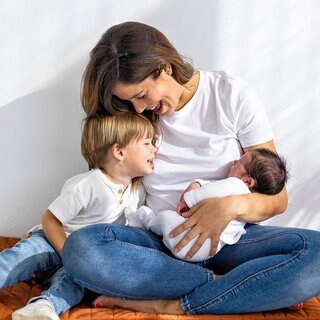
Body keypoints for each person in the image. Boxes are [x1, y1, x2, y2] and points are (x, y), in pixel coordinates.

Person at [62, 21, 320, 315]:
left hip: (232, 240)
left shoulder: (230, 95)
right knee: (81, 248)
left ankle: (174, 303)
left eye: (141, 94)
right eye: (129, 100)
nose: (138, 108)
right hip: (161, 247)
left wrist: (226, 208)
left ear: (165, 68)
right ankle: (234, 286)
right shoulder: (136, 119)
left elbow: (278, 198)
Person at [4, 112, 157, 320]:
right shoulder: (89, 184)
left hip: (81, 258)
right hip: (53, 241)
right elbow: (50, 220)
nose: (155, 149)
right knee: (25, 255)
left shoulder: (137, 192)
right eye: (148, 143)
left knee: (77, 283)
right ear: (119, 152)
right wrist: (66, 251)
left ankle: (43, 306)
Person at [126, 148, 288, 262]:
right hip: (208, 251)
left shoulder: (235, 185)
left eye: (239, 162)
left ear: (248, 181)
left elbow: (202, 195)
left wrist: (190, 196)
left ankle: (148, 221)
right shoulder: (248, 201)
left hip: (186, 239)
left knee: (164, 219)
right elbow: (213, 189)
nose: (234, 161)